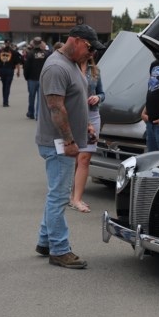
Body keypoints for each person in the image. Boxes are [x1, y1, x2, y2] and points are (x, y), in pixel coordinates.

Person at [34, 24, 105, 269]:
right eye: (89, 47)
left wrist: (85, 127)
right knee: (59, 197)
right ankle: (60, 250)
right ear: (75, 40)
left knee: (55, 194)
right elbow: (56, 108)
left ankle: (45, 242)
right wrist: (69, 141)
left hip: (64, 140)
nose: (92, 53)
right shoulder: (56, 67)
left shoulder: (71, 64)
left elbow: (73, 103)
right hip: (58, 143)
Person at [70, 52, 105, 213]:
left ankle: (76, 198)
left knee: (84, 158)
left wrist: (98, 97)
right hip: (73, 116)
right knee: (72, 157)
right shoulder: (69, 67)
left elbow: (102, 93)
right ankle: (66, 193)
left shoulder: (95, 70)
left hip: (93, 116)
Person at [23, 37, 49, 119]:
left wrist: (26, 76)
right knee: (40, 97)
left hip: (32, 78)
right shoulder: (46, 54)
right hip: (42, 78)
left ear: (33, 44)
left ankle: (31, 113)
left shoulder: (30, 54)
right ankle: (38, 114)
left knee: (31, 96)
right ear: (41, 43)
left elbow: (26, 67)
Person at [0, 41, 23, 107]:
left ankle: (4, 100)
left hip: (2, 70)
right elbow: (17, 63)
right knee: (7, 85)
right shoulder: (14, 52)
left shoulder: (0, 52)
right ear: (10, 44)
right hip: (10, 70)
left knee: (4, 85)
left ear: (4, 44)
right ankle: (6, 101)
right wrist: (18, 71)